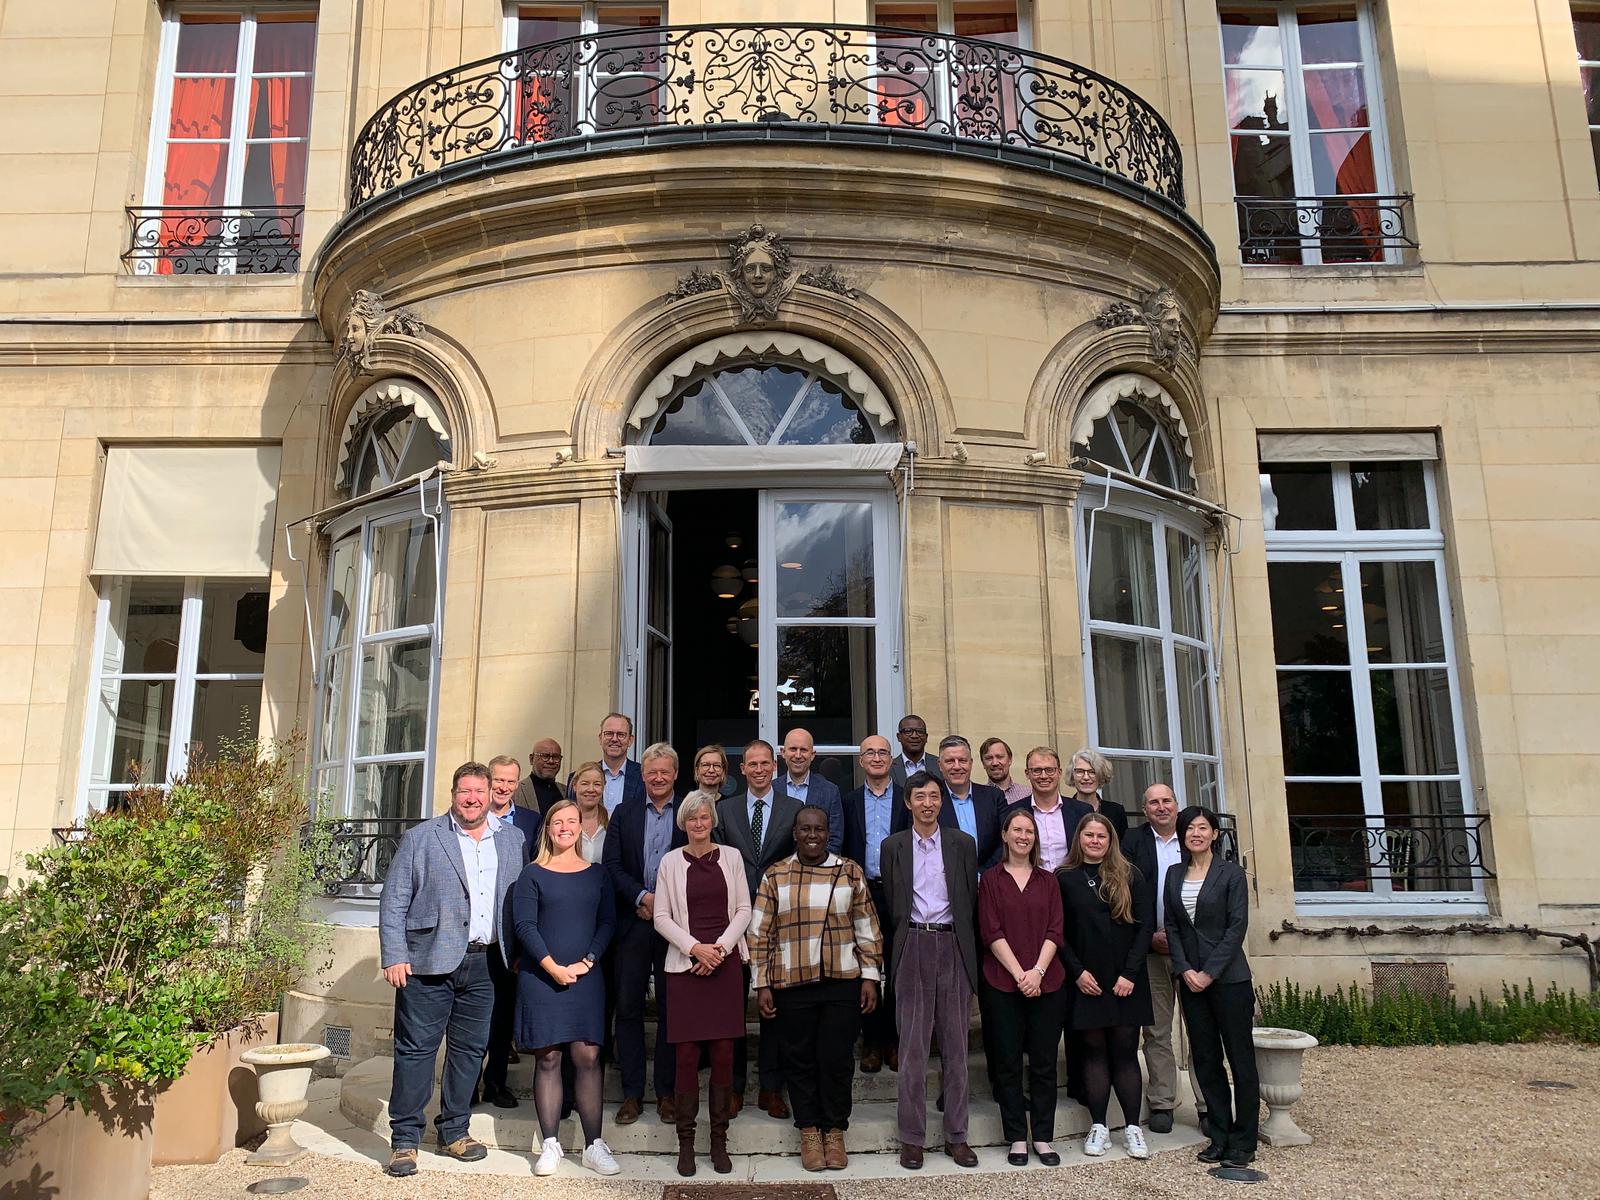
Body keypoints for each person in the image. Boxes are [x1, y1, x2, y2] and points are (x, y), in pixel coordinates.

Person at [377, 762, 529, 1177]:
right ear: (453, 793)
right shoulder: (422, 837)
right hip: (427, 963)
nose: (473, 798)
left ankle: (455, 1131)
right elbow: (394, 900)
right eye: (465, 791)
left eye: (480, 791)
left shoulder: (513, 839)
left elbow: (519, 902)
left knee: (468, 1052)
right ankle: (405, 1140)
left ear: (491, 794)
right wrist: (394, 954)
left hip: (487, 964)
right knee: (415, 1052)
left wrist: (520, 950)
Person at [749, 805, 883, 1173]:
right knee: (800, 1060)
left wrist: (870, 976)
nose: (812, 835)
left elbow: (867, 928)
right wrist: (762, 983)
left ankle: (834, 1130)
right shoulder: (775, 875)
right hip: (792, 983)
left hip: (842, 982)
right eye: (805, 829)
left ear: (828, 833)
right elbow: (760, 933)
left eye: (819, 829)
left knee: (837, 1061)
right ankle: (809, 1130)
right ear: (795, 833)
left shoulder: (849, 871)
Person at [880, 772, 980, 1170]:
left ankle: (958, 1135)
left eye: (934, 797)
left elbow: (968, 900)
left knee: (956, 1048)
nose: (927, 803)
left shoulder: (962, 844)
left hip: (953, 943)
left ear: (942, 802)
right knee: (913, 1049)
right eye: (919, 797)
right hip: (913, 945)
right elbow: (892, 902)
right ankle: (912, 1138)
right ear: (908, 803)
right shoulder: (893, 847)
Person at [514, 800, 618, 1176]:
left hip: (587, 977)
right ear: (548, 828)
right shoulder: (532, 874)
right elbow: (524, 926)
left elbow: (608, 922)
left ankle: (594, 1145)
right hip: (542, 976)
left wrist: (587, 961)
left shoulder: (597, 874)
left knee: (588, 1058)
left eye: (571, 821)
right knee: (549, 1058)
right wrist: (553, 967)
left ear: (580, 827)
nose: (565, 827)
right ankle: (551, 1144)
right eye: (557, 822)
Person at [653, 790, 752, 1176]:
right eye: (692, 818)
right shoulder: (670, 862)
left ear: (712, 820)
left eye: (704, 817)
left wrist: (720, 950)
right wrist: (696, 949)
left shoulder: (731, 858)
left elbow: (744, 908)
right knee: (687, 1057)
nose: (698, 824)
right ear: (684, 823)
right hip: (685, 967)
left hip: (724, 967)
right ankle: (686, 1144)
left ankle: (718, 1142)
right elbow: (661, 917)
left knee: (725, 1056)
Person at [1056, 811, 1154, 1162]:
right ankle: (1098, 1125)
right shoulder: (1064, 878)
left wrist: (1130, 973)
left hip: (1126, 979)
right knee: (1093, 1052)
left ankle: (1131, 1127)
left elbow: (1145, 927)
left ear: (1110, 840)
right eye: (1089, 836)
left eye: (1101, 836)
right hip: (1086, 981)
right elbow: (1059, 933)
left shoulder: (1130, 875)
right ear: (1078, 839)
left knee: (1126, 1052)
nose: (1095, 841)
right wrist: (1077, 973)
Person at [1165, 805, 1258, 1169]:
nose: (1196, 834)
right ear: (1183, 835)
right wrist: (1185, 969)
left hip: (1229, 979)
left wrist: (1209, 972)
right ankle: (1219, 1133)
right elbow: (1172, 926)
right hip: (1190, 982)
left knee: (1240, 1058)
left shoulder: (1231, 874)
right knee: (1205, 1059)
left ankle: (1244, 1138)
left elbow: (1237, 928)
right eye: (1190, 828)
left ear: (1215, 834)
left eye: (1203, 828)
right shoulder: (1174, 875)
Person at [602, 742, 686, 1125]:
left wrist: (665, 902)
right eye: (651, 771)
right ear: (643, 775)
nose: (657, 778)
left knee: (672, 1009)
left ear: (674, 775)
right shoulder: (624, 812)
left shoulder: (689, 812)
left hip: (675, 926)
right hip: (634, 920)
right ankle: (632, 1093)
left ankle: (667, 1093)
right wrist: (642, 896)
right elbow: (613, 865)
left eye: (664, 771)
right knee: (629, 1008)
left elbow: (698, 863)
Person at [977, 807, 1067, 1167]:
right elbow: (990, 931)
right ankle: (1016, 1135)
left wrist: (1037, 973)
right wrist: (1019, 974)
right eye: (1017, 830)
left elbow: (1056, 930)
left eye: (1029, 831)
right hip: (1002, 982)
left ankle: (1043, 1136)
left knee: (1044, 1063)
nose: (1023, 836)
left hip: (1047, 982)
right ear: (1004, 835)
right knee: (1008, 1063)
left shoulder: (1049, 881)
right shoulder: (991, 881)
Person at [715, 738, 798, 1119]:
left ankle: (771, 1088)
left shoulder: (793, 809)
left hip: (779, 922)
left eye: (766, 763)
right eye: (753, 763)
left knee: (775, 1008)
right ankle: (733, 1088)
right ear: (742, 769)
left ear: (774, 768)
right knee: (731, 1007)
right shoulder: (724, 810)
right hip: (734, 921)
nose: (760, 769)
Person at [1124, 782, 1197, 1134]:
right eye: (1153, 802)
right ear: (1145, 808)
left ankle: (1207, 1103)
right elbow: (1123, 895)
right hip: (1151, 949)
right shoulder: (1132, 843)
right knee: (1156, 1032)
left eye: (1166, 800)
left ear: (1177, 805)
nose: (1161, 807)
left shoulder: (1194, 840)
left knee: (1200, 1029)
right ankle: (1163, 1102)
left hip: (1195, 952)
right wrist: (1147, 936)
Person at [476, 754, 541, 1110]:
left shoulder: (531, 822)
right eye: (498, 780)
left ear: (518, 785)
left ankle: (496, 1082)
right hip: (474, 933)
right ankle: (467, 1084)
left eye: (510, 782)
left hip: (509, 933)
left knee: (503, 1015)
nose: (503, 788)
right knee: (472, 1018)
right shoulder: (470, 817)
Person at [840, 733, 908, 1072]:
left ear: (891, 759)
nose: (877, 758)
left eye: (883, 752)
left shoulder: (907, 800)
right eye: (870, 753)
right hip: (862, 893)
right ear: (862, 760)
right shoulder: (848, 801)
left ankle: (893, 1041)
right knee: (865, 968)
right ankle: (871, 1041)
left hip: (898, 894)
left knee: (897, 968)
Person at [1013, 747, 1094, 873]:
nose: (1044, 776)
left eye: (1050, 770)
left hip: (1073, 887)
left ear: (1059, 773)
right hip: (1031, 886)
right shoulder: (1013, 812)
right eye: (1037, 771)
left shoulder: (1082, 811)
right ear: (1027, 774)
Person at [936, 735, 1006, 869]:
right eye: (950, 761)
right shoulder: (932, 800)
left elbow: (1005, 840)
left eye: (962, 760)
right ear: (940, 765)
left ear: (971, 763)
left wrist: (983, 874)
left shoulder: (994, 797)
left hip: (988, 879)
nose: (957, 767)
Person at [776, 728, 845, 855]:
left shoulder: (830, 791)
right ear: (783, 752)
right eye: (793, 749)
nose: (798, 755)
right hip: (779, 870)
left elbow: (835, 839)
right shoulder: (772, 789)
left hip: (818, 870)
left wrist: (814, 865)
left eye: (803, 750)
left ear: (812, 755)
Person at [1068, 748, 1129, 841]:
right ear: (1072, 776)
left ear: (1101, 776)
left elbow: (1122, 848)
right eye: (1080, 771)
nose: (1086, 777)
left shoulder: (1116, 811)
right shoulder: (1064, 810)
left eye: (1092, 772)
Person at [594, 712, 644, 813]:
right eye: (609, 734)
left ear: (630, 740)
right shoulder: (580, 777)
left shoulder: (644, 775)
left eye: (621, 735)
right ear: (600, 738)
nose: (614, 739)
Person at [569, 760, 610, 863]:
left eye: (597, 784)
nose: (591, 789)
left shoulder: (613, 821)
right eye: (585, 784)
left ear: (603, 787)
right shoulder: (564, 822)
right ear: (575, 786)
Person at [513, 738, 565, 813]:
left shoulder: (566, 791)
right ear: (531, 759)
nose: (551, 761)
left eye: (556, 757)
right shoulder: (516, 791)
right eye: (545, 756)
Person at [890, 715, 943, 788]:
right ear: (899, 737)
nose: (914, 736)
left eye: (920, 732)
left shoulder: (940, 765)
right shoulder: (889, 767)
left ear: (926, 737)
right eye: (908, 731)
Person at [980, 737, 1031, 804]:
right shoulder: (978, 797)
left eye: (1000, 757)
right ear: (983, 763)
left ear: (1010, 760)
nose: (995, 763)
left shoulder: (1027, 794)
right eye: (989, 758)